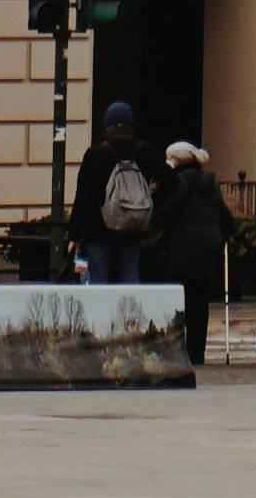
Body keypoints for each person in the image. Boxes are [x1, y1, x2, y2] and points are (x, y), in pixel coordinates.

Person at [144, 137, 234, 365]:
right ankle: (197, 353)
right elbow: (227, 221)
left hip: (180, 251)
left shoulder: (178, 183)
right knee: (199, 302)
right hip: (206, 252)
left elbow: (165, 213)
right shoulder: (210, 185)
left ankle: (178, 351)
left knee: (178, 302)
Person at [76, 97, 162, 287]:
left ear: (107, 124)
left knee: (98, 283)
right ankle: (131, 317)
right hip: (132, 230)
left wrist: (74, 234)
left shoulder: (95, 154)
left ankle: (101, 316)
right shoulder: (144, 151)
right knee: (130, 282)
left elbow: (82, 197)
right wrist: (151, 202)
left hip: (97, 231)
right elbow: (173, 182)